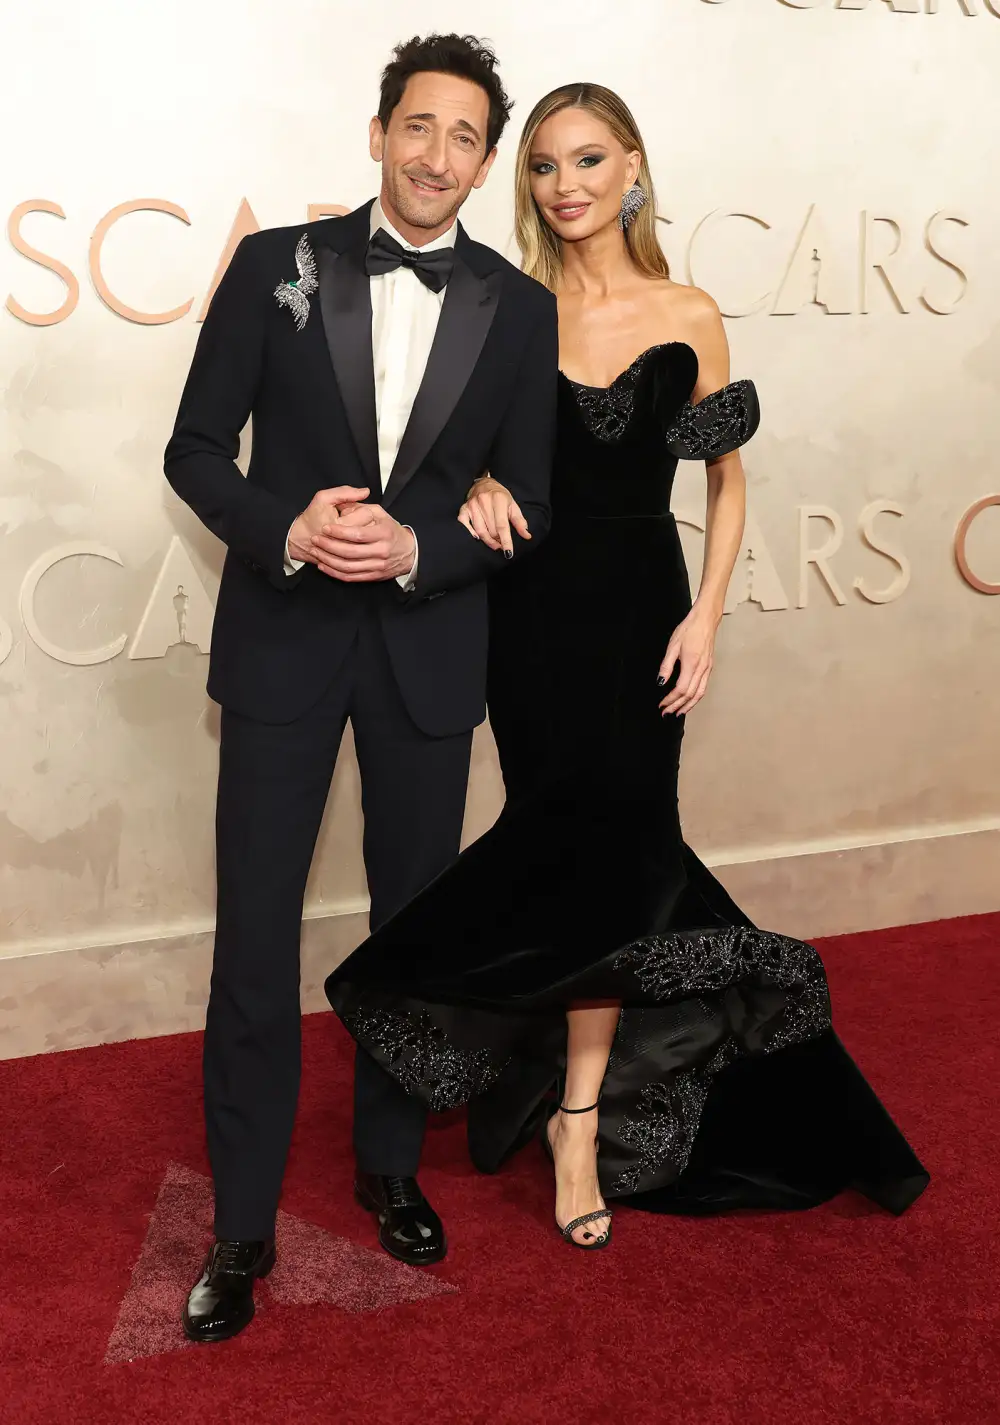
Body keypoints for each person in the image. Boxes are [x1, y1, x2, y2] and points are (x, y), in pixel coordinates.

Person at [326, 83, 929, 1251]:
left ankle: (578, 1118)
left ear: (634, 167)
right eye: (545, 166)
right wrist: (478, 486)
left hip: (646, 608)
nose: (566, 186)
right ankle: (554, 1096)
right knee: (570, 849)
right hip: (531, 619)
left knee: (629, 845)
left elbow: (726, 479)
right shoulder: (504, 306)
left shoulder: (688, 309)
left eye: (589, 160)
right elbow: (439, 450)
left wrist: (707, 617)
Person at [163, 35, 558, 1341]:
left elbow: (529, 500)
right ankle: (240, 1222)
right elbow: (196, 448)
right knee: (255, 938)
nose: (439, 155)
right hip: (282, 642)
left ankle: (390, 1164)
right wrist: (287, 528)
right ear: (380, 132)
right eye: (420, 127)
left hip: (428, 652)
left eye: (465, 138)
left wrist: (422, 546)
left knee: (410, 935)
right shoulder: (277, 267)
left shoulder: (516, 303)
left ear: (485, 161)